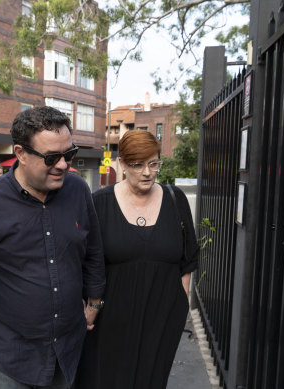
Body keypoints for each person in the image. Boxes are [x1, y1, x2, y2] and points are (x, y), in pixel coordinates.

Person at [0, 106, 106, 388]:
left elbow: (93, 251)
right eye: (52, 157)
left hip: (67, 349)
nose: (64, 165)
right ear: (20, 153)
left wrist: (93, 304)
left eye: (69, 154)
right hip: (8, 358)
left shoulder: (78, 190)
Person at [74, 130, 199, 389]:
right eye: (137, 164)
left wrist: (180, 300)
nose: (147, 172)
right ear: (122, 164)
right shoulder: (99, 203)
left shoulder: (175, 200)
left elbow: (188, 258)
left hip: (160, 320)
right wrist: (90, 308)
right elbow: (82, 261)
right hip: (108, 322)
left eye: (154, 163)